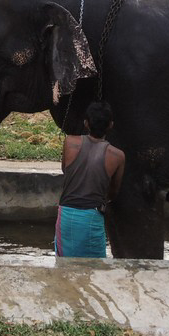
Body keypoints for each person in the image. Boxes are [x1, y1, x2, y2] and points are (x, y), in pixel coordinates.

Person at [54, 102, 125, 258]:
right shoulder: (118, 156)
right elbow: (113, 192)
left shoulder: (70, 142)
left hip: (66, 214)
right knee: (94, 269)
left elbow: (65, 170)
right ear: (110, 125)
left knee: (64, 267)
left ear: (86, 123)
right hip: (92, 217)